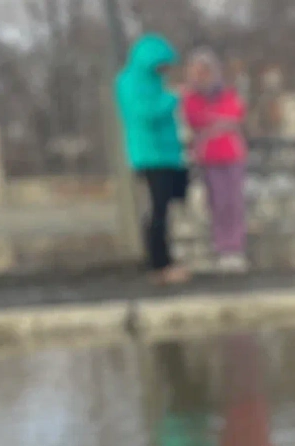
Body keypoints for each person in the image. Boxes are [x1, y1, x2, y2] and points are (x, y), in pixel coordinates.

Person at [115, 33, 192, 285]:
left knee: (166, 208)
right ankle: (159, 263)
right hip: (150, 155)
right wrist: (172, 98)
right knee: (157, 209)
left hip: (168, 154)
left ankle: (165, 259)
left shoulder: (157, 82)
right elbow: (144, 113)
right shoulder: (129, 82)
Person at [183, 47, 249, 272]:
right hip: (209, 157)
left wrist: (215, 122)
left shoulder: (227, 93)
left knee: (234, 203)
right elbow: (194, 118)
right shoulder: (191, 97)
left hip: (232, 154)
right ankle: (222, 247)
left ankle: (236, 247)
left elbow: (235, 114)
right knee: (217, 203)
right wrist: (216, 122)